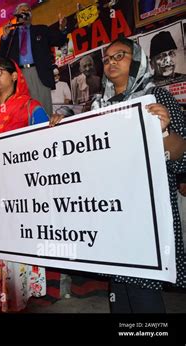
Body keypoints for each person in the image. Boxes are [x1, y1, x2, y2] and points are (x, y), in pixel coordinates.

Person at [92, 37, 186, 312]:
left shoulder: (158, 98)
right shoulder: (98, 107)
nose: (111, 62)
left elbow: (181, 160)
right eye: (107, 59)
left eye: (118, 55)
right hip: (111, 211)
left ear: (136, 60)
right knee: (119, 294)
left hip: (147, 215)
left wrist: (165, 130)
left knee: (144, 292)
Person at [0, 56, 63, 312]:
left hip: (19, 195)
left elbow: (47, 146)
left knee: (13, 245)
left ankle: (16, 299)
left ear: (14, 76)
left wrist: (55, 126)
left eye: (0, 72)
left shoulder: (31, 107)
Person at [0, 2, 68, 115]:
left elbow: (59, 41)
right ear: (16, 16)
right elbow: (1, 57)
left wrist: (62, 28)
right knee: (22, 109)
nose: (25, 13)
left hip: (38, 72)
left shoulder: (41, 29)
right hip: (19, 74)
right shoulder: (10, 35)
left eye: (27, 11)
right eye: (22, 12)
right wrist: (5, 37)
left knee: (42, 107)